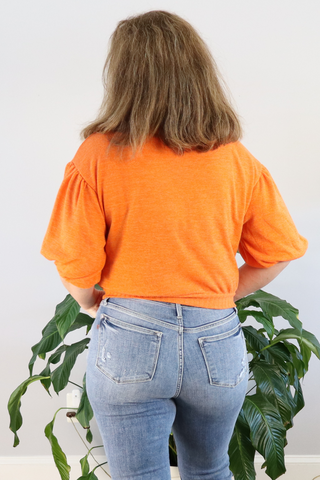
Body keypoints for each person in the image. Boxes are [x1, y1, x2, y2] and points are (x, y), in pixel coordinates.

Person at [41, 10, 308, 480]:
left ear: (124, 77)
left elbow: (76, 266)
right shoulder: (236, 160)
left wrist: (92, 305)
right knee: (209, 471)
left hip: (129, 335)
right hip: (216, 341)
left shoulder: (98, 155)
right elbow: (280, 250)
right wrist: (222, 294)